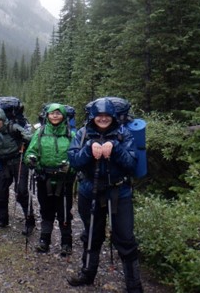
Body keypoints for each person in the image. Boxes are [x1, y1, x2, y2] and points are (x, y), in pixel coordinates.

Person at [66, 98, 143, 292]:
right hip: (89, 190)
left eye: (107, 115)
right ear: (92, 116)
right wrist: (88, 149)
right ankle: (87, 273)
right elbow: (74, 161)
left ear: (113, 116)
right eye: (99, 115)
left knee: (125, 238)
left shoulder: (124, 134)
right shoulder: (83, 134)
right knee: (92, 234)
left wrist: (115, 149)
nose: (103, 119)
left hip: (119, 191)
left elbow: (132, 164)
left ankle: (134, 285)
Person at [24, 103, 76, 256]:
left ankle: (66, 243)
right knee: (46, 210)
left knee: (64, 212)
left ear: (64, 116)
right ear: (47, 115)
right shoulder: (39, 133)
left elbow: (78, 157)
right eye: (52, 113)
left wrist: (71, 167)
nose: (55, 116)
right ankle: (44, 241)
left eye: (58, 113)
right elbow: (30, 152)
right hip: (43, 178)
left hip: (64, 180)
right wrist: (31, 159)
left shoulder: (71, 135)